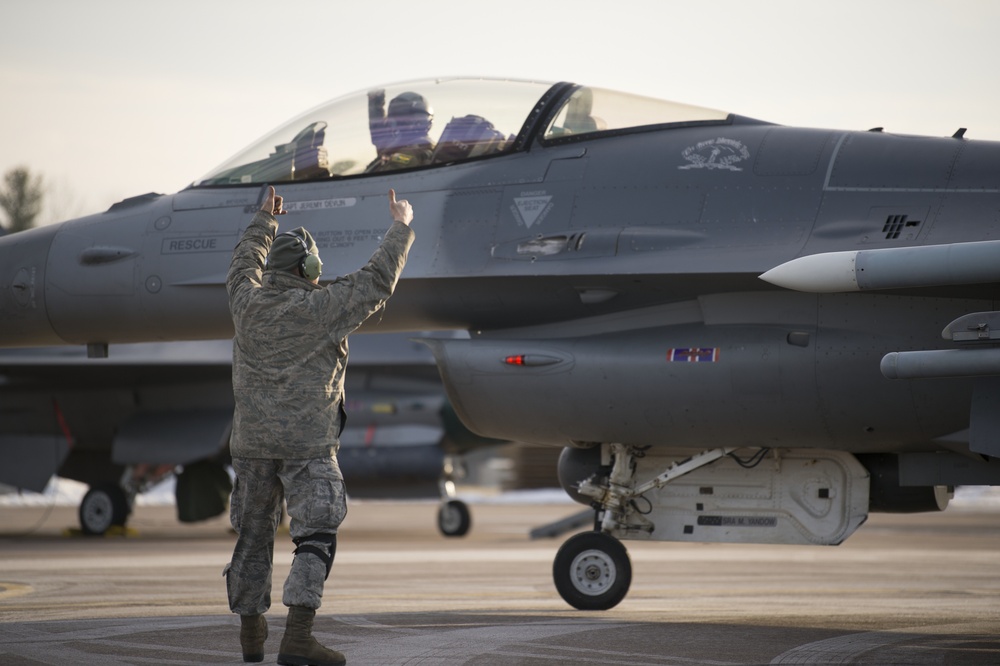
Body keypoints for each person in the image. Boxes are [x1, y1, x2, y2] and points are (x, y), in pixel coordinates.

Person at [224, 186, 415, 665]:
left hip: (251, 446)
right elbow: (376, 281)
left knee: (252, 537)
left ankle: (251, 640)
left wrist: (264, 221)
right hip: (308, 446)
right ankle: (298, 636)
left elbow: (242, 264)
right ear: (309, 270)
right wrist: (401, 226)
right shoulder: (322, 308)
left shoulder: (245, 304)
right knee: (316, 535)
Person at [366, 89, 435, 172]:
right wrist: (375, 101)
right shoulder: (396, 146)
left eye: (401, 118)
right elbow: (378, 132)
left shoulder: (415, 152)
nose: (396, 123)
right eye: (395, 117)